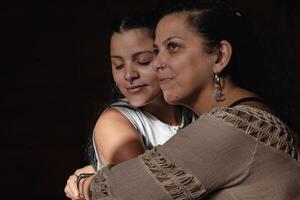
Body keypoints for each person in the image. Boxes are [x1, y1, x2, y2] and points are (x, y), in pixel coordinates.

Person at [79, 0, 300, 199]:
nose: (158, 63)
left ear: (220, 56)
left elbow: (126, 192)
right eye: (156, 51)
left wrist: (86, 182)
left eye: (173, 47)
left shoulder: (230, 128)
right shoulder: (246, 115)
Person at [64, 9, 196, 200]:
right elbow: (146, 194)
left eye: (143, 61)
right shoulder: (114, 122)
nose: (129, 75)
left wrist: (92, 171)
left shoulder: (193, 110)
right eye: (118, 65)